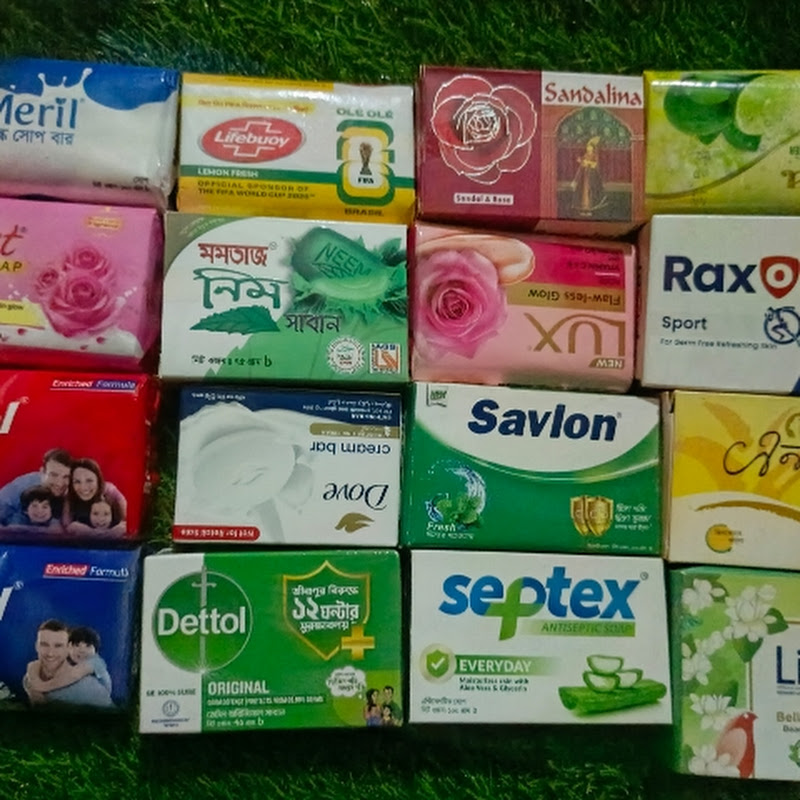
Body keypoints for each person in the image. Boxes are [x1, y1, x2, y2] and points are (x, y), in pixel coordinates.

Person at [23, 619, 114, 709]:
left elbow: (74, 675)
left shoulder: (94, 665)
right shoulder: (31, 676)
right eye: (76, 645)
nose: (82, 651)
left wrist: (40, 687)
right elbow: (33, 667)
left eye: (58, 646)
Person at [0, 448, 71, 527]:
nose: (59, 483)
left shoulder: (72, 491)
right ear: (42, 472)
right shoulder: (23, 485)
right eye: (53, 475)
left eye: (66, 477)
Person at [62, 458, 127, 536]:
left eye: (89, 480)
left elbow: (126, 523)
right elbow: (66, 528)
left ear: (98, 480)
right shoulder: (69, 497)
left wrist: (109, 534)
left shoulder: (111, 491)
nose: (83, 487)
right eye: (77, 481)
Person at [572, 136, 607, 216]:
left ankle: (590, 209)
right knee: (583, 192)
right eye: (587, 147)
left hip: (592, 175)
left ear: (592, 148)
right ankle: (583, 209)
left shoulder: (595, 155)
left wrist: (588, 162)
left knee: (590, 191)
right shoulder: (586, 154)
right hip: (585, 176)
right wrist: (581, 161)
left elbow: (595, 165)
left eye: (590, 147)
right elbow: (582, 164)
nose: (588, 148)